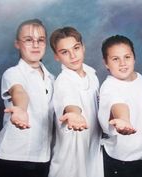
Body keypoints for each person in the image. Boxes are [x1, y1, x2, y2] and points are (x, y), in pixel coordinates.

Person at [0, 19, 54, 177]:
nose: (35, 44)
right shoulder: (13, 73)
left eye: (40, 40)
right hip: (12, 158)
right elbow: (19, 92)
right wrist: (20, 109)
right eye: (28, 40)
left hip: (43, 158)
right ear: (17, 44)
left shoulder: (52, 78)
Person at [48, 26, 103, 177]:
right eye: (65, 52)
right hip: (70, 160)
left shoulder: (92, 75)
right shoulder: (63, 81)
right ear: (56, 56)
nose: (73, 56)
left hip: (92, 154)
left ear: (83, 47)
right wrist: (74, 114)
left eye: (76, 48)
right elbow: (70, 103)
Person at [98, 35, 142, 177]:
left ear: (134, 58)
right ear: (106, 63)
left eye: (127, 57)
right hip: (121, 160)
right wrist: (124, 120)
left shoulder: (140, 78)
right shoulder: (110, 86)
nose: (122, 63)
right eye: (115, 59)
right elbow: (118, 105)